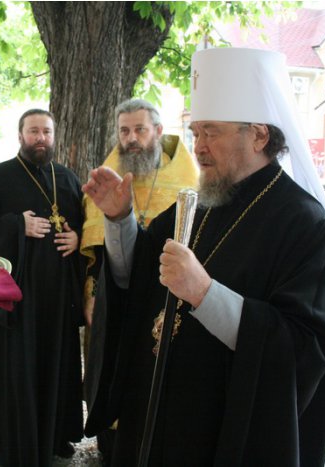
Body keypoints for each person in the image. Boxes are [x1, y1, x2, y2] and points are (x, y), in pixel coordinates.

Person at [82, 47, 325, 466]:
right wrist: (119, 219)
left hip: (227, 428)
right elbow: (137, 275)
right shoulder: (201, 202)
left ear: (259, 135)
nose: (199, 147)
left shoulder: (304, 225)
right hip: (158, 410)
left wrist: (204, 293)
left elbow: (303, 348)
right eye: (196, 132)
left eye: (212, 133)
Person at [0, 109, 85, 466]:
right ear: (20, 136)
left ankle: (54, 436)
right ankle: (14, 442)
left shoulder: (67, 178)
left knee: (56, 362)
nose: (41, 138)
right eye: (34, 131)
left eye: (46, 131)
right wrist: (18, 226)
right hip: (17, 297)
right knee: (19, 365)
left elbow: (85, 224)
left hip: (58, 296)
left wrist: (77, 238)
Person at [80, 98, 198, 463]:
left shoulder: (186, 175)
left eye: (140, 130)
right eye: (124, 131)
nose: (131, 139)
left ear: (159, 132)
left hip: (163, 295)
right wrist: (93, 292)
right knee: (111, 362)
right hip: (115, 294)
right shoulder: (110, 171)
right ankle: (109, 445)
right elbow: (96, 246)